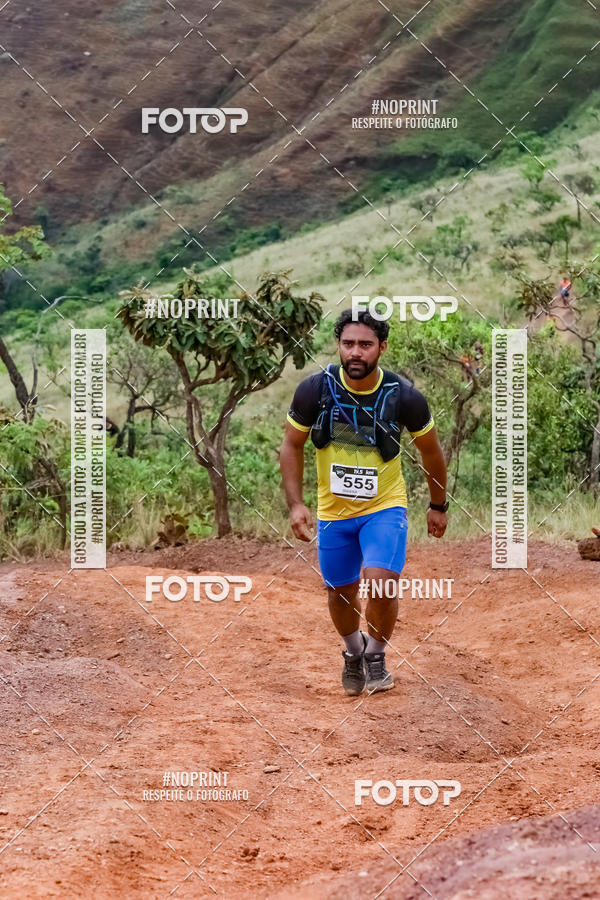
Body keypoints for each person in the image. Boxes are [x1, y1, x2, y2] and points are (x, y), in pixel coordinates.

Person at [279, 309, 448, 697]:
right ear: (339, 346)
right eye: (348, 344)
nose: (356, 352)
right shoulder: (314, 391)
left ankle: (376, 655)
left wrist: (438, 504)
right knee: (339, 591)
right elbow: (291, 444)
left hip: (384, 508)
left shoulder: (404, 397)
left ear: (382, 348)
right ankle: (353, 652)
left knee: (382, 585)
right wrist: (296, 504)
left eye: (365, 345)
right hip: (334, 513)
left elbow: (431, 452)